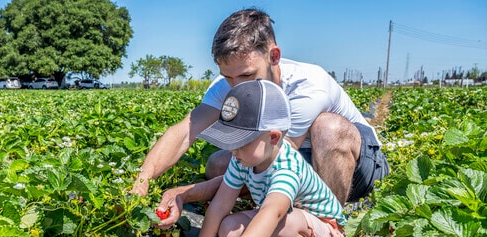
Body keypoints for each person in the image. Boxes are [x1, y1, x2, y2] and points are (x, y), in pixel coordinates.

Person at [132, 8, 388, 224]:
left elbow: (271, 165)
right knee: (217, 164)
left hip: (357, 165)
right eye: (228, 76)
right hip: (302, 161)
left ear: (273, 56)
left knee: (327, 128)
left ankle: (329, 228)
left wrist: (186, 193)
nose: (236, 87)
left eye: (246, 75)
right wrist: (141, 181)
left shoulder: (307, 86)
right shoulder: (229, 84)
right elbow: (186, 129)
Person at [174, 79, 347, 237]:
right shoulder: (241, 160)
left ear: (273, 137)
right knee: (229, 229)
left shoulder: (287, 166)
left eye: (241, 143)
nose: (233, 151)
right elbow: (220, 205)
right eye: (230, 142)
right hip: (289, 227)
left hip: (327, 235)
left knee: (281, 223)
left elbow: (273, 211)